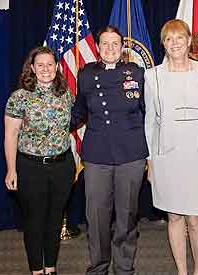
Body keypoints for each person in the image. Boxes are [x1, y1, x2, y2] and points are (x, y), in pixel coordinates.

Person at [144, 19, 198, 275]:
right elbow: (150, 122)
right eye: (169, 39)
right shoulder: (152, 75)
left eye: (180, 38)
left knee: (197, 219)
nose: (175, 43)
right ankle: (182, 271)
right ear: (163, 44)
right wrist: (150, 161)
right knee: (175, 217)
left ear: (189, 41)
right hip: (167, 156)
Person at [70, 25, 148, 275]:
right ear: (98, 47)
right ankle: (98, 267)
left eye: (115, 43)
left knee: (127, 216)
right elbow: (78, 112)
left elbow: (151, 111)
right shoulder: (86, 74)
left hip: (130, 154)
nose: (110, 48)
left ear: (122, 47)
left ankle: (124, 268)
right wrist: (53, 125)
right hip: (97, 156)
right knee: (97, 218)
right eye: (105, 43)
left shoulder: (136, 73)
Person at [4, 46, 76, 275]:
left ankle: (50, 268)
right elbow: (10, 136)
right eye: (40, 65)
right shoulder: (19, 97)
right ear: (32, 68)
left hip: (62, 167)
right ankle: (36, 270)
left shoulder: (66, 94)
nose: (46, 69)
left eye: (50, 64)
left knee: (55, 221)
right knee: (34, 222)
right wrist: (11, 170)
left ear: (57, 67)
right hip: (30, 168)